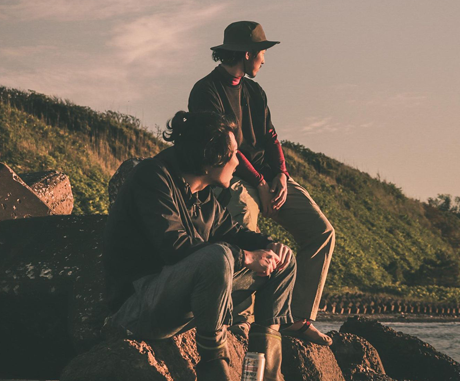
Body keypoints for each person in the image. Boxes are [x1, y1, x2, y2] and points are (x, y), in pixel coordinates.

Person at [103, 110, 296, 381]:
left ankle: (264, 372)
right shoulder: (152, 178)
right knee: (217, 257)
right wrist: (247, 258)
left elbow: (234, 232)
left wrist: (269, 244)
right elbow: (175, 247)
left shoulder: (202, 196)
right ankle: (214, 369)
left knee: (283, 261)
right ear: (210, 157)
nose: (238, 162)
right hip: (139, 306)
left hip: (183, 300)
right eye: (233, 154)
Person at [188, 21, 335, 346]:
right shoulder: (206, 91)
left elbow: (270, 135)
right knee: (243, 218)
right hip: (233, 178)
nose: (265, 60)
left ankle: (296, 320)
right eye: (263, 52)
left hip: (269, 179)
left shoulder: (255, 91)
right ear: (248, 53)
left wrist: (280, 175)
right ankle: (242, 324)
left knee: (321, 231)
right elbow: (226, 150)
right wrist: (260, 183)